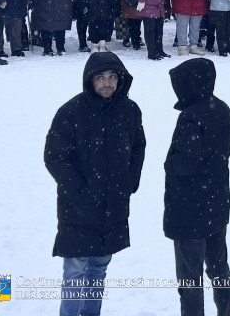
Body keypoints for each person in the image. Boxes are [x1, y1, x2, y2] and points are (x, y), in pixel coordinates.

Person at [44, 51, 145, 316]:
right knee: (75, 271)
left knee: (99, 267)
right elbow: (55, 157)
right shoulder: (71, 112)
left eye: (112, 77)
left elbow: (138, 147)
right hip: (78, 207)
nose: (107, 83)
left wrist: (129, 182)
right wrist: (79, 189)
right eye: (100, 78)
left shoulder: (130, 110)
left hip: (113, 205)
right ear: (90, 80)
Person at [164, 57, 230, 316]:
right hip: (217, 200)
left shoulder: (191, 116)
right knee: (219, 268)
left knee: (189, 279)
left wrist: (169, 164)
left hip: (190, 208)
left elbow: (185, 163)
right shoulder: (221, 108)